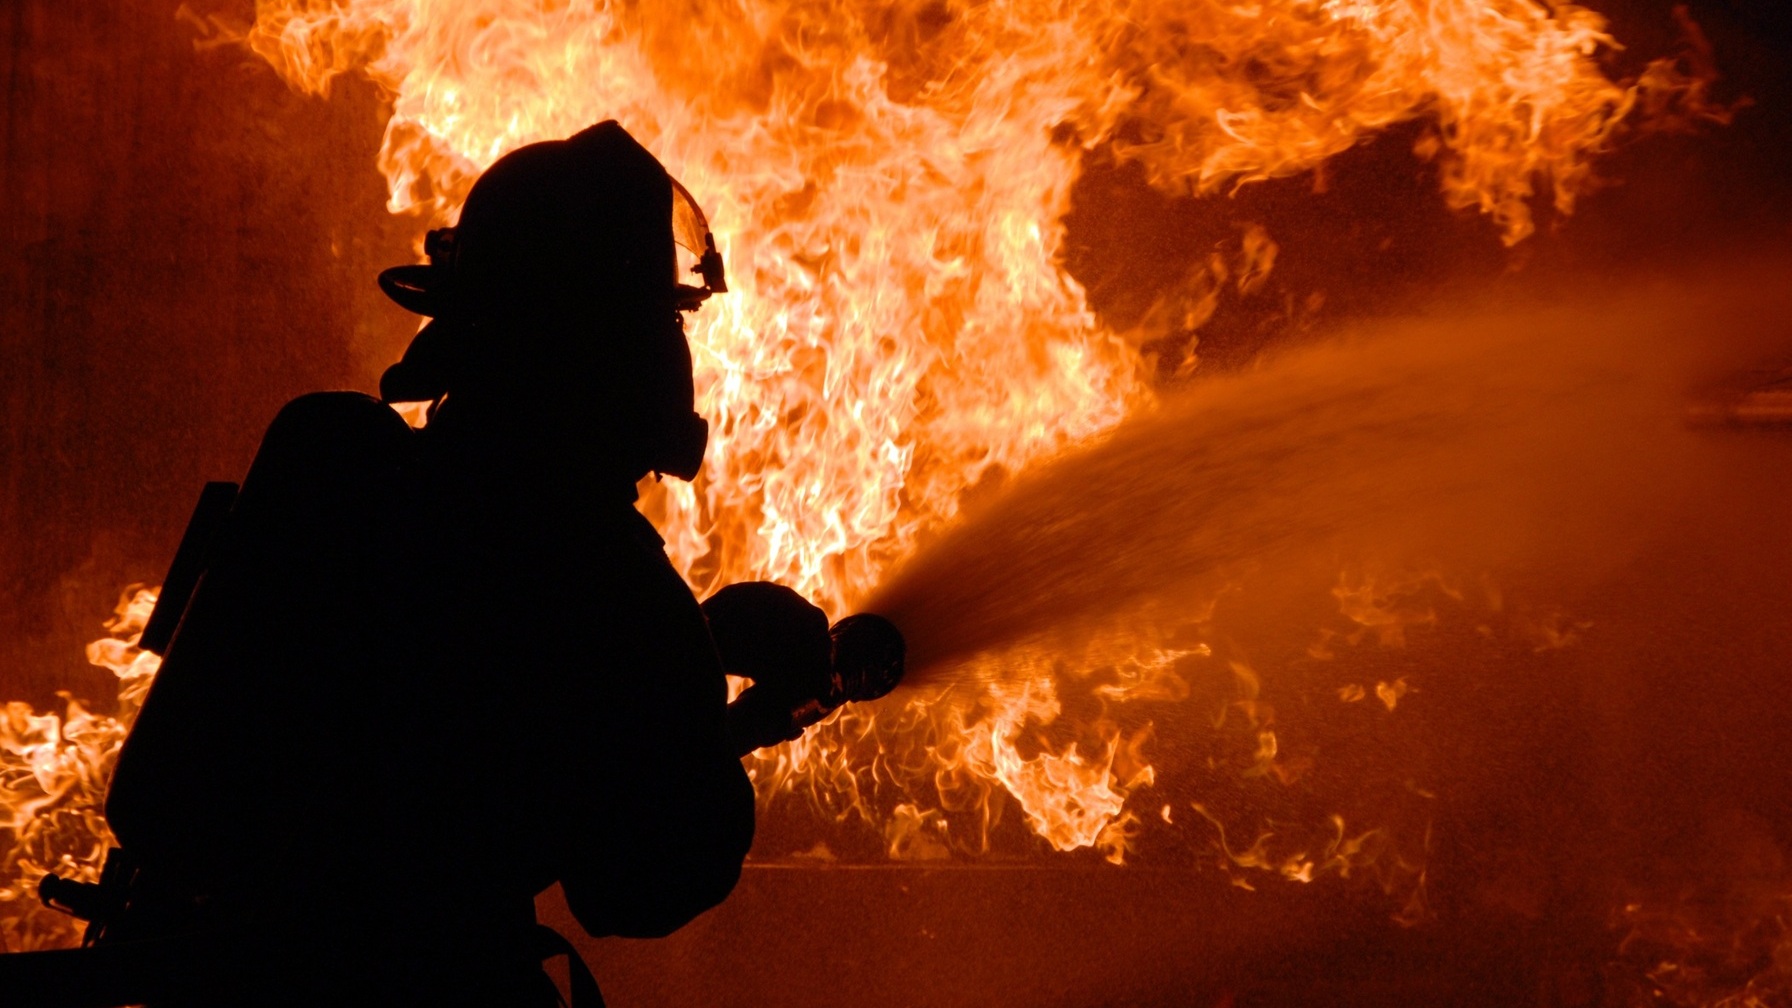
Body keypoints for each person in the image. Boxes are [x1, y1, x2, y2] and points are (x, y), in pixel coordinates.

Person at [96, 121, 771, 1006]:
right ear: (613, 345)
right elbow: (639, 885)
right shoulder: (611, 590)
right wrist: (717, 717)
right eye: (659, 320)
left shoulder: (333, 464)